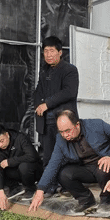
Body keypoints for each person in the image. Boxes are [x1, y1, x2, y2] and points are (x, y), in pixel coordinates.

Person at [28, 110, 110, 214]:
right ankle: (86, 200)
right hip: (85, 168)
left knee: (104, 168)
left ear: (77, 125)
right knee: (63, 174)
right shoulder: (60, 139)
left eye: (68, 130)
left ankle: (106, 201)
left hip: (105, 164)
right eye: (61, 132)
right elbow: (53, 164)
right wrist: (40, 190)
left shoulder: (96, 125)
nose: (65, 135)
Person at [33, 36, 79, 175]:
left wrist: (47, 104)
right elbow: (38, 91)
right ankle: (49, 183)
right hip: (46, 120)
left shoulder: (69, 69)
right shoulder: (44, 71)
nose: (48, 55)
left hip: (63, 119)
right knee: (47, 155)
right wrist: (38, 105)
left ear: (60, 52)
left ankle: (66, 182)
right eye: (46, 51)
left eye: (52, 51)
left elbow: (69, 92)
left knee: (66, 152)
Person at [0, 124, 42, 211]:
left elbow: (32, 156)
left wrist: (10, 161)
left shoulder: (20, 138)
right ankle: (14, 187)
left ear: (7, 135)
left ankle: (30, 189)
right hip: (14, 172)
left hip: (31, 171)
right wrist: (0, 191)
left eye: (2, 141)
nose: (0, 145)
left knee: (24, 166)